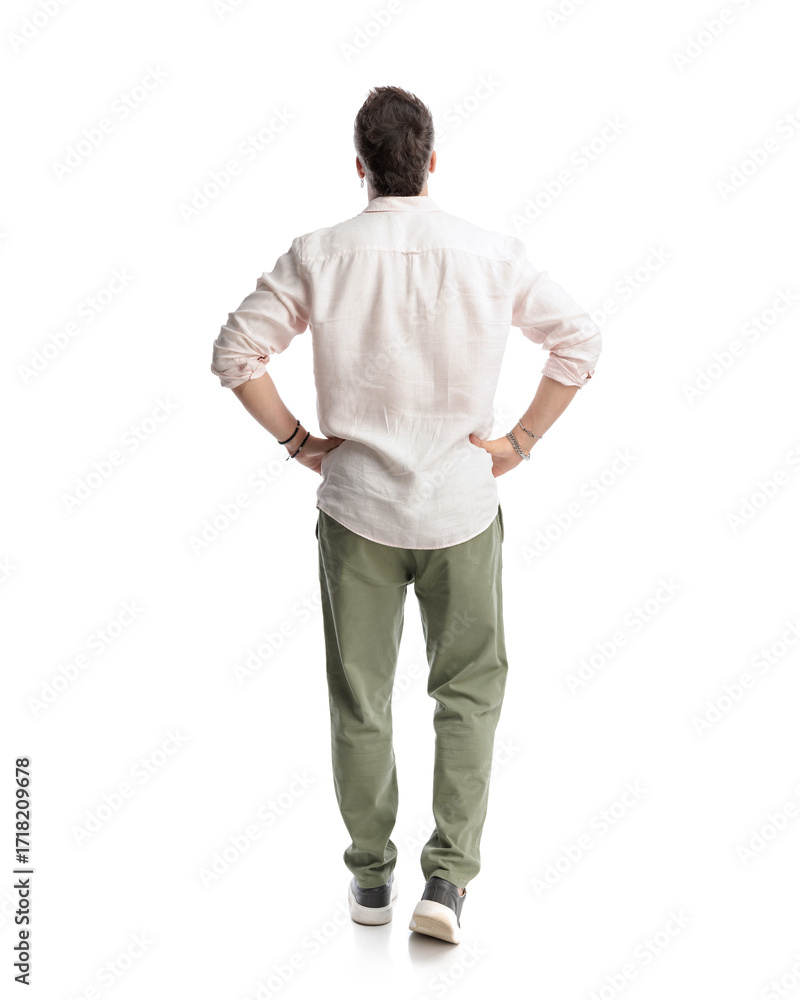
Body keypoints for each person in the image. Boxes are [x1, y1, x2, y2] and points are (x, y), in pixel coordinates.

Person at [210, 85, 602, 945]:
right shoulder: (492, 253)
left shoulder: (320, 253)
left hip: (357, 509)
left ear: (359, 167)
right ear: (431, 162)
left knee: (361, 698)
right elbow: (579, 340)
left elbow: (235, 352)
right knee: (469, 693)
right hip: (462, 506)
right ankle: (447, 885)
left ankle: (370, 881)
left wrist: (299, 443)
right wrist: (521, 441)